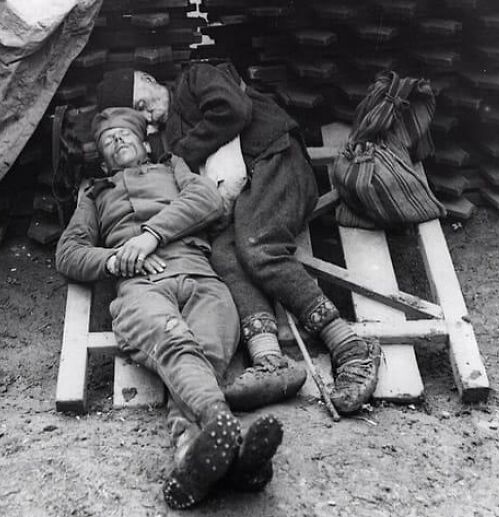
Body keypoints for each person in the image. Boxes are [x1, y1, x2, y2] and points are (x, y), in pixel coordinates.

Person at [96, 65, 382, 415]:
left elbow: (233, 109)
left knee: (258, 245)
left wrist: (180, 154)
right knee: (223, 255)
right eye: (141, 117)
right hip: (239, 198)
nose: (148, 116)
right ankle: (270, 360)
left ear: (149, 80)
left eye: (142, 103)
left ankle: (351, 347)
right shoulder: (167, 135)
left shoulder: (195, 78)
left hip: (275, 161)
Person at [55, 107, 283, 510]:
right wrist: (116, 260)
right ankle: (225, 433)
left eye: (125, 134)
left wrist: (151, 235)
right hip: (141, 287)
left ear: (145, 145)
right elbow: (69, 252)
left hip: (200, 276)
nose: (118, 140)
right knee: (176, 344)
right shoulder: (95, 193)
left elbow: (208, 199)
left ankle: (192, 453)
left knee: (204, 353)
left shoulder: (173, 167)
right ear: (103, 161)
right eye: (108, 140)